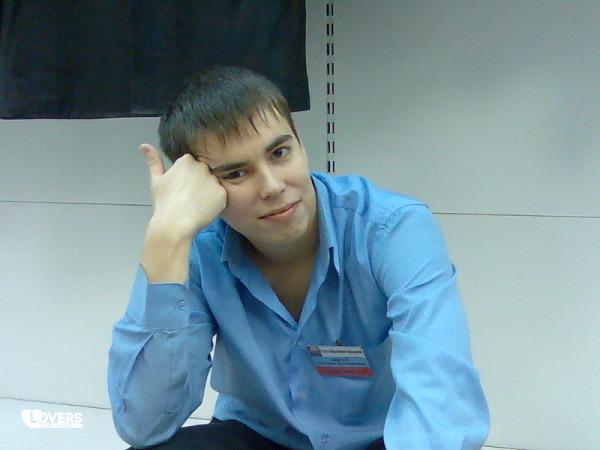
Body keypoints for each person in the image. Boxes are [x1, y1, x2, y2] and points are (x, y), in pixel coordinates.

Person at [107, 65, 490, 450]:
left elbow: (442, 408)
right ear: (201, 186)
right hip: (258, 435)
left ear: (301, 145)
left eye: (279, 153)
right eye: (236, 173)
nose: (273, 186)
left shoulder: (391, 229)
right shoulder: (195, 248)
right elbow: (144, 426)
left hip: (381, 440)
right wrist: (165, 240)